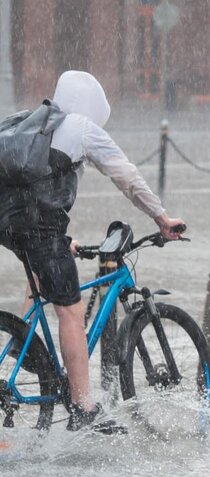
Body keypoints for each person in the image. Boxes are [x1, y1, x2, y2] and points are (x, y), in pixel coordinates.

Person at [0, 70, 185, 431]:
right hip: (37, 225)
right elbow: (127, 177)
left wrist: (59, 238)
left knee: (44, 268)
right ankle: (84, 407)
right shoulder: (82, 128)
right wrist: (162, 218)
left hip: (8, 221)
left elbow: (34, 187)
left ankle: (28, 349)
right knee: (70, 311)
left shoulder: (34, 123)